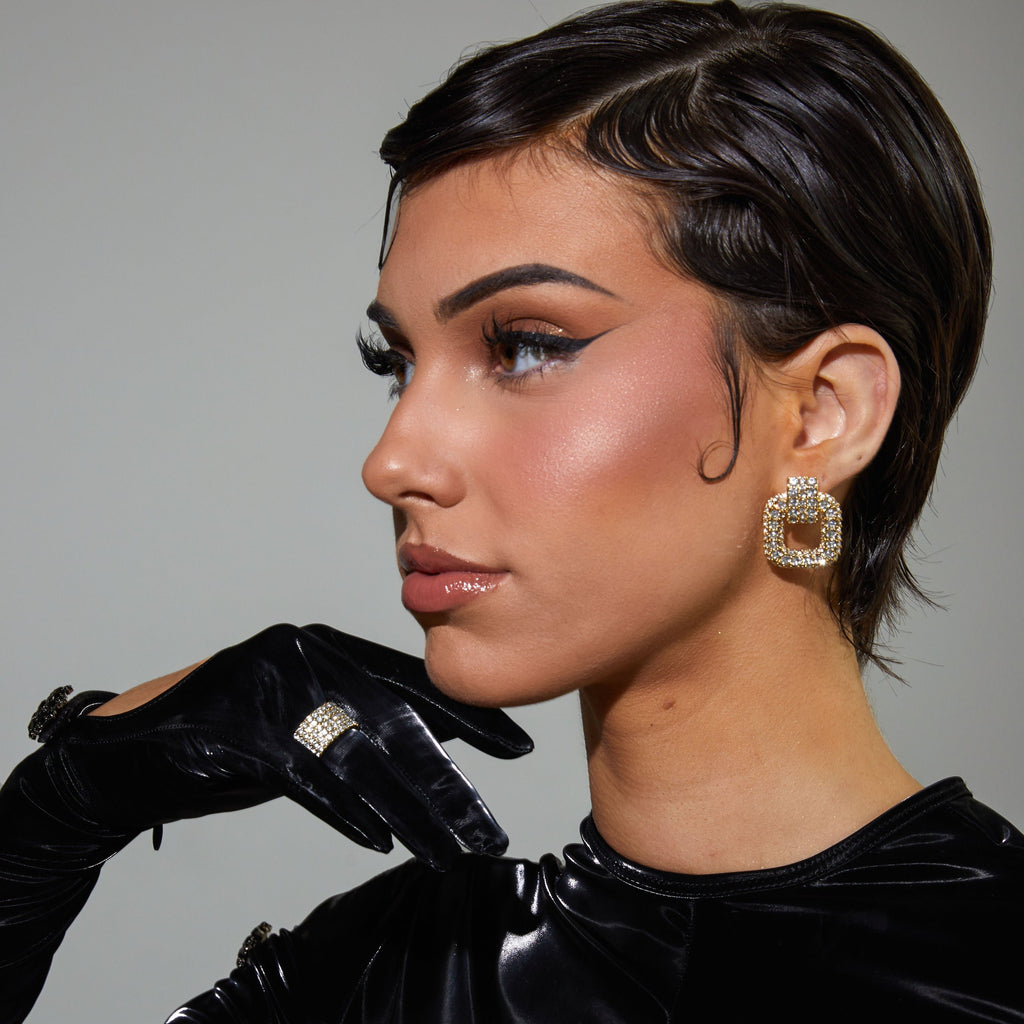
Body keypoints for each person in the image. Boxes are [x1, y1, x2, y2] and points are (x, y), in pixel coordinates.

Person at [1, 1, 1021, 1021]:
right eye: (397, 362)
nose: (390, 462)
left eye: (525, 346)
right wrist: (65, 803)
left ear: (823, 414)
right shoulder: (383, 976)